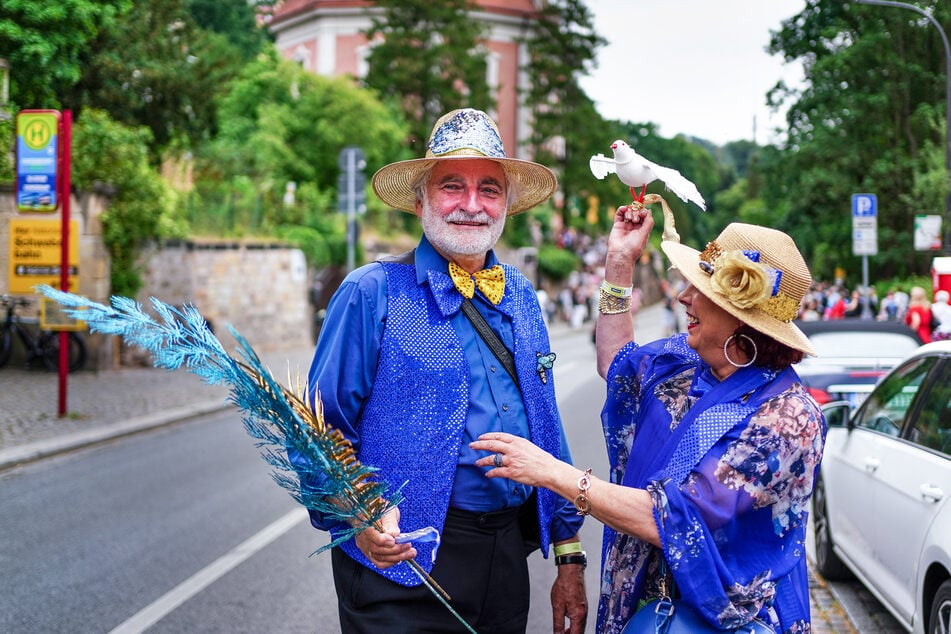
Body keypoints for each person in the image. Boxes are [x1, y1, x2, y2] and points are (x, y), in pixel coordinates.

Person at [290, 108, 587, 633]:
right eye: (453, 186)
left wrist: (569, 556)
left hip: (503, 559)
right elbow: (316, 429)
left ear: (507, 205)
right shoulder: (371, 291)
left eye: (489, 189)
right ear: (422, 199)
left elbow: (546, 426)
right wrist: (356, 521)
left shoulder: (520, 294)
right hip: (398, 564)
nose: (472, 205)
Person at [471, 206, 826, 633]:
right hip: (649, 609)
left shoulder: (788, 418)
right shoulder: (684, 360)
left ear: (743, 321)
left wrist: (553, 473)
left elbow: (672, 517)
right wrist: (619, 262)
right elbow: (616, 362)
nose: (683, 298)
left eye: (701, 292)